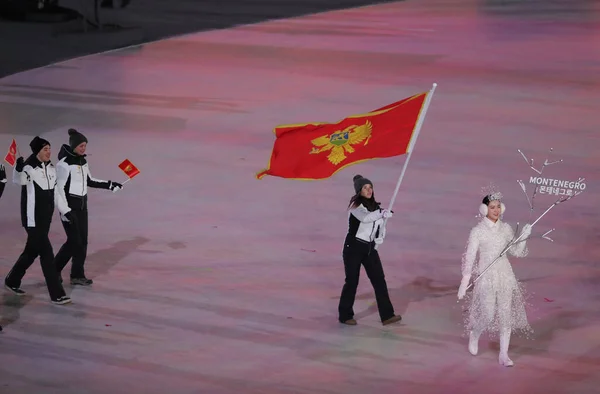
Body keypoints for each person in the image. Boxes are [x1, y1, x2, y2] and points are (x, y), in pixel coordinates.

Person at [457, 191, 533, 367]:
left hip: (505, 275)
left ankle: (504, 355)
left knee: (505, 316)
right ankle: (475, 334)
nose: (496, 210)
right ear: (484, 209)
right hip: (487, 276)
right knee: (488, 314)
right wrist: (464, 281)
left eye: (498, 206)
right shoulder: (477, 231)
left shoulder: (506, 229)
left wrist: (524, 236)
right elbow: (469, 256)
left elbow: (516, 252)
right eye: (492, 207)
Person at [4, 136, 72, 305]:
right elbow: (18, 180)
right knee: (47, 254)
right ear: (37, 151)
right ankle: (57, 293)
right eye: (45, 149)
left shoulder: (51, 169)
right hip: (32, 220)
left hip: (45, 219)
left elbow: (56, 193)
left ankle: (12, 280)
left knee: (31, 251)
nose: (48, 152)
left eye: (49, 148)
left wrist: (66, 211)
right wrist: (18, 169)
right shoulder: (29, 167)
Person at [54, 128, 123, 286]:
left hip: (82, 208)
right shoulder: (63, 165)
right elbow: (58, 190)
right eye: (81, 146)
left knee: (82, 242)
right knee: (73, 241)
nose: (83, 148)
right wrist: (65, 211)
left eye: (85, 145)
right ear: (73, 146)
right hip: (69, 208)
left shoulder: (83, 161)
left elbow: (90, 180)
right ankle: (53, 271)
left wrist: (110, 185)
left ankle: (77, 275)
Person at [338, 174, 402, 326]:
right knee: (352, 281)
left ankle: (387, 315)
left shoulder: (376, 208)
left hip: (369, 249)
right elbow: (366, 218)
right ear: (359, 191)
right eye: (365, 188)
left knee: (379, 280)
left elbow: (379, 226)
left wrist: (380, 235)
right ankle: (345, 315)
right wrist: (381, 213)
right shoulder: (355, 207)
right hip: (353, 248)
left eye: (370, 187)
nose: (368, 190)